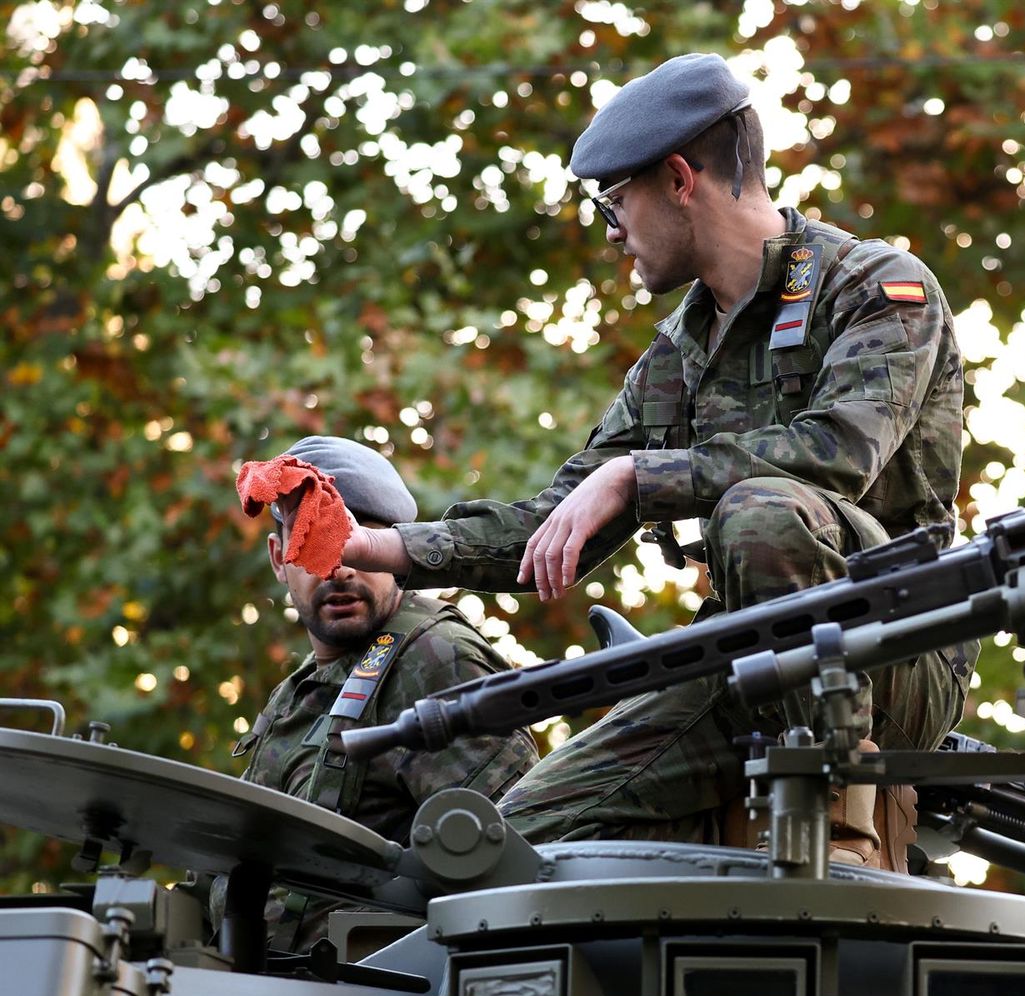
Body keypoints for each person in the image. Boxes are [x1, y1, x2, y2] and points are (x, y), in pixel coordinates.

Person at [337, 54, 973, 863]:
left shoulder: (874, 287)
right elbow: (555, 523)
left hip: (895, 650)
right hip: (746, 656)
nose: (611, 231)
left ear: (678, 179)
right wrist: (372, 545)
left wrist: (641, 476)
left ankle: (832, 812)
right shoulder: (678, 355)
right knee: (494, 846)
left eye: (615, 202)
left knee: (760, 511)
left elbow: (837, 454)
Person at [236, 435, 538, 951]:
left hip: (383, 988)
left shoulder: (434, 659)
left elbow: (521, 854)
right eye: (313, 539)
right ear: (279, 558)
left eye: (357, 539)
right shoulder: (300, 689)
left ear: (397, 549)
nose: (340, 567)